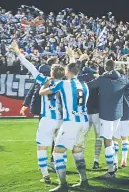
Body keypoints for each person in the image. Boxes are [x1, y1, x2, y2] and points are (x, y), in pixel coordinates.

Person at [10, 43, 66, 184]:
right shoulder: (66, 84)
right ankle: (61, 176)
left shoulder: (44, 80)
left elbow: (30, 67)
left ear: (52, 73)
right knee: (60, 149)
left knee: (42, 147)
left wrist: (18, 52)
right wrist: (72, 58)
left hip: (47, 119)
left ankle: (46, 175)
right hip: (62, 121)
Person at [37, 60, 90, 191]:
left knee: (57, 152)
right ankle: (84, 180)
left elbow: (42, 93)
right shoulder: (84, 85)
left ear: (67, 72)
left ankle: (63, 184)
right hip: (84, 121)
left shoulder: (62, 83)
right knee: (78, 152)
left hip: (71, 122)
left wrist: (46, 83)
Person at [85, 59, 129, 178]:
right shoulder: (122, 79)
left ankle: (111, 171)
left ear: (105, 67)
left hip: (106, 115)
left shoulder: (102, 79)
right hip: (118, 115)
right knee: (113, 138)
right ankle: (115, 162)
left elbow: (88, 85)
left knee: (107, 140)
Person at [112, 69, 129, 167]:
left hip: (115, 113)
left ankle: (115, 160)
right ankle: (124, 160)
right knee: (124, 137)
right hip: (126, 113)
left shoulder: (114, 85)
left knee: (114, 138)